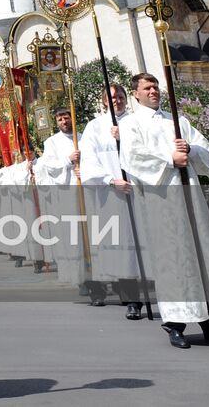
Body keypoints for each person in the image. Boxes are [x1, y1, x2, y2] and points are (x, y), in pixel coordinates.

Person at [120, 73, 209, 349]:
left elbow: (205, 148)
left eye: (156, 86)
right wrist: (170, 159)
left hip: (190, 194)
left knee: (203, 253)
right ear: (136, 94)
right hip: (162, 198)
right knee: (174, 256)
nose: (153, 91)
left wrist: (190, 150)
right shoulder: (132, 123)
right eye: (147, 88)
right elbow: (131, 158)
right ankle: (175, 322)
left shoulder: (177, 120)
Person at [79, 84, 146, 319]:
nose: (116, 100)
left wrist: (124, 137)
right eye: (111, 97)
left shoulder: (138, 121)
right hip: (114, 193)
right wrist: (110, 180)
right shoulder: (95, 126)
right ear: (104, 101)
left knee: (146, 244)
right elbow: (89, 160)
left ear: (127, 99)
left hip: (142, 191)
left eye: (120, 96)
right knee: (124, 248)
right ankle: (132, 300)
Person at [37, 108, 93, 299]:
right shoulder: (51, 142)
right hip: (67, 193)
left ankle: (98, 275)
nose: (64, 121)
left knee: (92, 235)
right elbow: (49, 166)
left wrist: (85, 168)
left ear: (72, 118)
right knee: (74, 235)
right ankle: (81, 279)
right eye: (60, 119)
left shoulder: (84, 137)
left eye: (66, 117)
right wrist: (68, 161)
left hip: (87, 190)